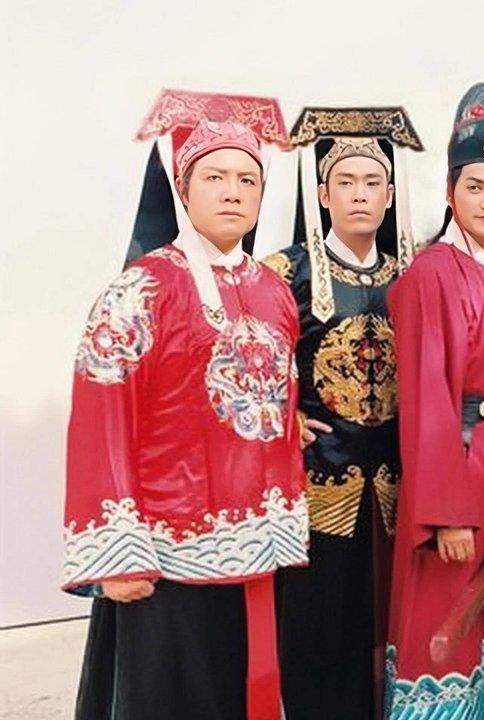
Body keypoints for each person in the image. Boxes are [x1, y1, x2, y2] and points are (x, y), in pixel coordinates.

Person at [65, 104, 306, 720]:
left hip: (256, 547)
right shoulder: (140, 290)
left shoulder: (275, 292)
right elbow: (101, 420)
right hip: (163, 551)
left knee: (242, 694)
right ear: (183, 187)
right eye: (215, 177)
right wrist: (117, 554)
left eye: (247, 179)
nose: (232, 192)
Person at [264, 105, 422, 720]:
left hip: (398, 489)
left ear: (390, 195)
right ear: (323, 194)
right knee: (318, 636)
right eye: (346, 182)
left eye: (372, 182)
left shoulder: (413, 271)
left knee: (389, 636)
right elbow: (243, 363)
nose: (360, 194)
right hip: (319, 487)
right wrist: (280, 418)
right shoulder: (285, 274)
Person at [385, 82, 484, 719]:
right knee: (439, 629)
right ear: (450, 190)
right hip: (456, 472)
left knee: (475, 628)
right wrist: (444, 514)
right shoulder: (433, 274)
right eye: (475, 187)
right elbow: (429, 400)